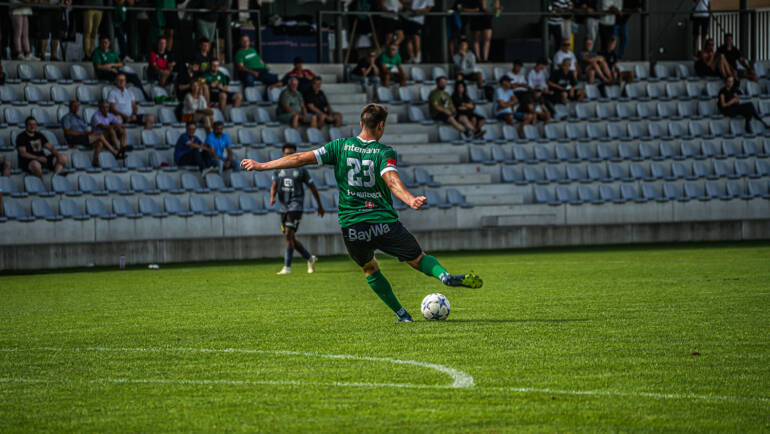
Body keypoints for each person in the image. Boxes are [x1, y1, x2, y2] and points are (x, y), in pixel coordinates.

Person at [240, 103, 483, 322]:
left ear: (360, 124)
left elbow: (300, 158)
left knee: (369, 268)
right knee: (417, 258)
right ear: (381, 125)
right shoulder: (384, 152)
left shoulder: (340, 146)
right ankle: (443, 276)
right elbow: (391, 179)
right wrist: (409, 199)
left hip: (353, 226)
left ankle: (402, 315)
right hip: (384, 223)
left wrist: (262, 166)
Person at [269, 143, 324, 275]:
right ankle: (310, 258)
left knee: (288, 235)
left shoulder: (301, 170)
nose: (289, 156)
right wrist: (272, 197)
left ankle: (287, 267)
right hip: (283, 207)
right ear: (283, 154)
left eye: (291, 153)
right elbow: (274, 185)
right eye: (287, 153)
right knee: (290, 238)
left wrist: (320, 205)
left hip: (296, 205)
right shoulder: (278, 169)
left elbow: (313, 188)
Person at [62, 101, 117, 166]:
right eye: (74, 106)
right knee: (100, 136)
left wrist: (88, 133)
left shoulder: (79, 118)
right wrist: (83, 133)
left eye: (77, 106)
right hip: (74, 138)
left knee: (100, 143)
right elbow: (67, 132)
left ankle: (95, 163)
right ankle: (115, 153)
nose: (76, 107)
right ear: (70, 107)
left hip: (84, 137)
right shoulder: (67, 117)